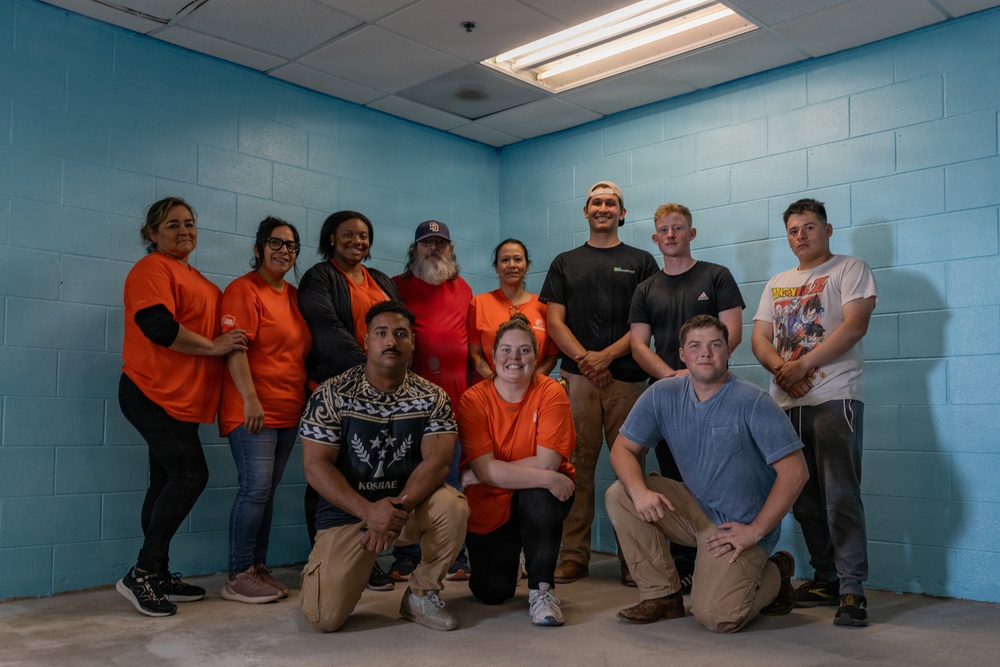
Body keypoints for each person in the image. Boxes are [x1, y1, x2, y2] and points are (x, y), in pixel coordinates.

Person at [606, 315, 807, 633]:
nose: (706, 353)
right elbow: (622, 449)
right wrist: (641, 492)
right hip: (694, 511)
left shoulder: (753, 402)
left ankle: (775, 572)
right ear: (682, 354)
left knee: (718, 617)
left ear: (728, 351)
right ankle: (663, 596)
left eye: (715, 345)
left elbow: (796, 473)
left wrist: (754, 531)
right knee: (622, 493)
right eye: (695, 346)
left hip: (738, 527)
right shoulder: (663, 395)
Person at [298, 301, 470, 633]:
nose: (391, 341)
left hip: (405, 510)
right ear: (366, 342)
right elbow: (316, 467)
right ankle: (348, 572)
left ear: (412, 344)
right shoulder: (331, 394)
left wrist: (394, 510)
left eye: (400, 334)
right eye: (381, 333)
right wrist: (368, 512)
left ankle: (421, 593)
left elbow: (438, 463)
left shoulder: (433, 397)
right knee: (324, 619)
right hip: (347, 517)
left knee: (452, 505)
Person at [117, 197, 249, 617]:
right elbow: (158, 327)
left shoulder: (204, 284)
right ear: (152, 234)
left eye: (189, 224)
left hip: (183, 403)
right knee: (191, 473)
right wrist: (214, 346)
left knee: (164, 483)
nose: (183, 231)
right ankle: (143, 571)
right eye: (172, 225)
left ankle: (158, 574)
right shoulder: (150, 269)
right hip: (149, 392)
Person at [751, 198, 877, 627]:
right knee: (801, 499)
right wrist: (782, 371)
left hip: (834, 397)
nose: (801, 236)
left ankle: (851, 590)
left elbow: (855, 324)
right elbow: (760, 339)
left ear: (827, 229)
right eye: (793, 230)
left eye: (808, 227)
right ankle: (824, 577)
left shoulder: (849, 268)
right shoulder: (778, 282)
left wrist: (802, 366)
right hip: (785, 404)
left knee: (841, 497)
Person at [539, 181, 659, 586]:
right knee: (578, 468)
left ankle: (634, 558)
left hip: (628, 380)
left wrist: (606, 357)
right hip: (578, 381)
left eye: (611, 203)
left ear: (621, 213)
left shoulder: (642, 261)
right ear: (586, 212)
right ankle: (573, 556)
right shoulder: (564, 262)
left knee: (632, 472)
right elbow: (555, 322)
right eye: (596, 202)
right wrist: (585, 361)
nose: (603, 208)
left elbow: (645, 322)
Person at [628, 202, 745, 592]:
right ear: (656, 238)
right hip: (667, 397)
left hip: (715, 395)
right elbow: (639, 345)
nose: (672, 234)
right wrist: (673, 378)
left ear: (691, 234)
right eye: (665, 229)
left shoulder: (717, 276)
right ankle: (685, 565)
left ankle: (727, 554)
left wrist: (696, 373)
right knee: (673, 478)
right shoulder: (645, 288)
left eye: (679, 228)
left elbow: (732, 333)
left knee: (717, 475)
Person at [297, 210, 400, 590]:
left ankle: (365, 559)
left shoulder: (383, 280)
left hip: (381, 398)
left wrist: (389, 381)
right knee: (328, 479)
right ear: (330, 239)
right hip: (335, 393)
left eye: (363, 236)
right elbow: (327, 332)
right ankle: (324, 559)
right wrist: (373, 374)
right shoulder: (318, 278)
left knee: (369, 480)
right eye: (348, 235)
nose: (357, 242)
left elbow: (400, 328)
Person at [458, 315, 576, 626]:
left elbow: (549, 463)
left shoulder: (551, 392)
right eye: (506, 350)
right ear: (493, 356)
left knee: (540, 493)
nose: (515, 358)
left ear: (536, 357)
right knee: (492, 592)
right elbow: (486, 469)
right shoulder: (473, 400)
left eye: (524, 350)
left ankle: (542, 588)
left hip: (538, 497)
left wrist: (489, 471)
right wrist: (487, 472)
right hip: (489, 502)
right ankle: (517, 549)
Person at [218, 217, 311, 604]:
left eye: (291, 246)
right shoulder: (243, 290)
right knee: (254, 490)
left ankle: (257, 567)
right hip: (253, 409)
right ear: (258, 248)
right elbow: (235, 349)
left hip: (289, 409)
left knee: (266, 493)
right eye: (275, 243)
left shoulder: (293, 295)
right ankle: (238, 574)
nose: (284, 251)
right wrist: (251, 400)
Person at [392, 220, 472, 581]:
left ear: (450, 249)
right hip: (405, 408)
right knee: (405, 483)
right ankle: (406, 555)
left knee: (449, 481)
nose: (434, 248)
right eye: (427, 242)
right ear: (415, 250)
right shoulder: (396, 287)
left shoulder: (463, 289)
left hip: (453, 405)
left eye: (441, 242)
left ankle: (453, 556)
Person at [468, 239, 558, 381]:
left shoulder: (543, 306)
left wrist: (531, 382)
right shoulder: (479, 304)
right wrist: (497, 382)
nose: (512, 265)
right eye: (505, 260)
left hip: (532, 393)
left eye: (517, 259)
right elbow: (474, 354)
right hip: (490, 392)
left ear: (527, 266)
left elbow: (552, 355)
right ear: (496, 267)